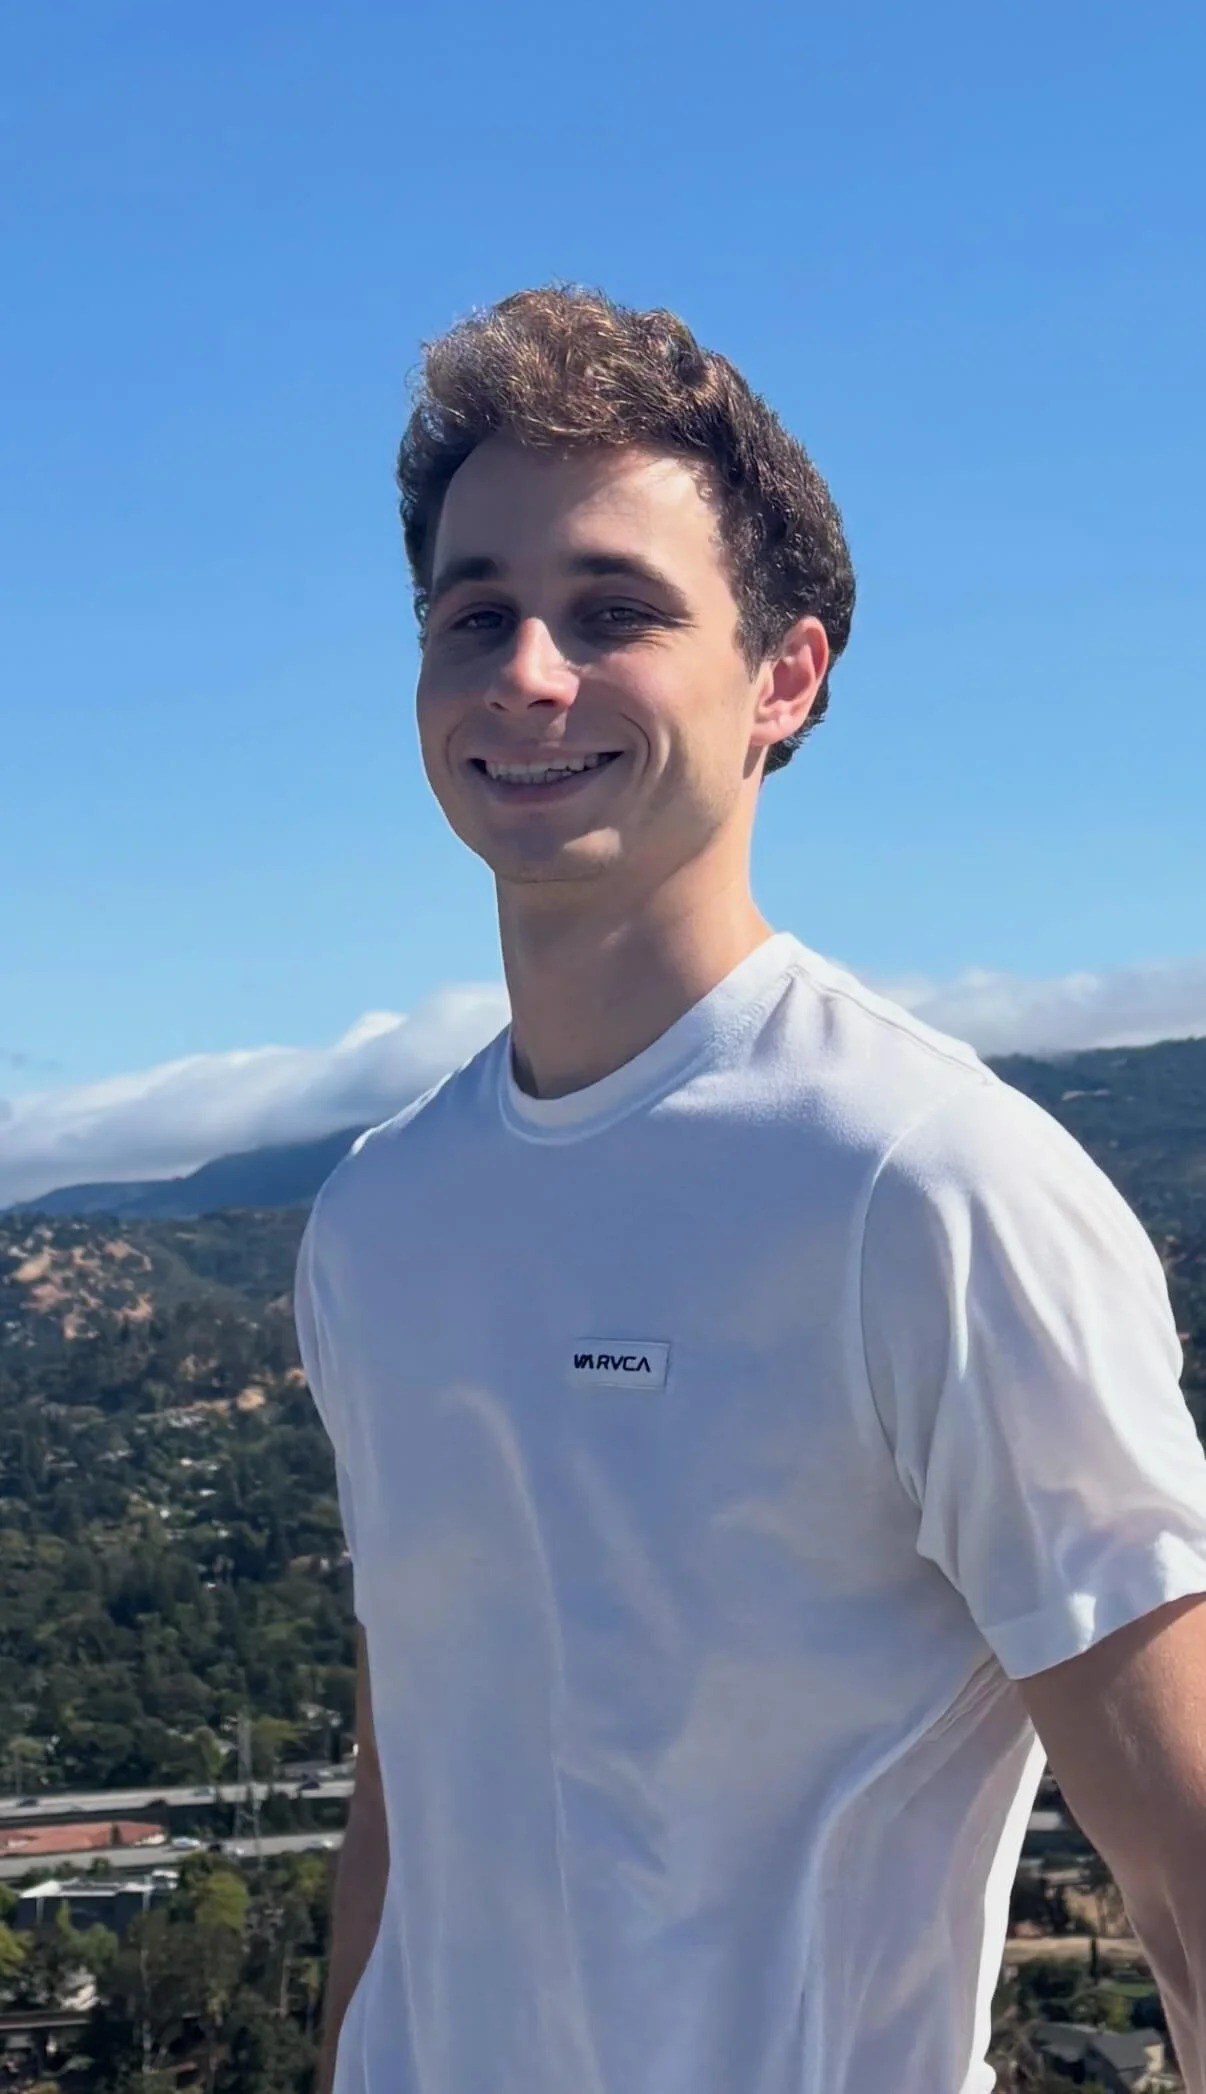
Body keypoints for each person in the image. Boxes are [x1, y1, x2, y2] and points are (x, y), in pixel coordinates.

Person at [295, 285, 1206, 2094]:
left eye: (613, 609)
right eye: (475, 612)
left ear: (783, 675)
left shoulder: (922, 1187)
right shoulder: (375, 1222)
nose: (527, 672)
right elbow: (409, 1792)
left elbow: (1185, 1885)